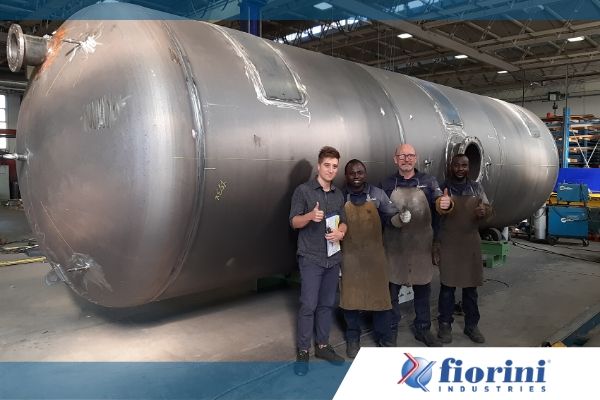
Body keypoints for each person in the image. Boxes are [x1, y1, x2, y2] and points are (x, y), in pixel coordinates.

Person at [380, 143, 452, 347]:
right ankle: (390, 329)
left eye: (410, 155)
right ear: (395, 159)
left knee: (423, 289)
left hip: (422, 246)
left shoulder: (429, 182)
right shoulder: (386, 184)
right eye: (402, 156)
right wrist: (395, 219)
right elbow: (382, 213)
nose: (406, 159)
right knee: (391, 289)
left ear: (416, 158)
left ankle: (423, 329)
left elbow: (440, 203)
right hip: (394, 246)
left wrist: (445, 203)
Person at [289, 146, 348, 376]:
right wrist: (310, 216)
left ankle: (322, 346)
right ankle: (303, 351)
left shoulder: (338, 194)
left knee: (326, 305)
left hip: (332, 257)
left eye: (335, 166)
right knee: (308, 305)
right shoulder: (303, 192)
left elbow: (343, 221)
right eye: (327, 165)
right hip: (311, 257)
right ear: (319, 165)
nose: (331, 170)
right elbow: (294, 222)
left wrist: (341, 233)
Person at [340, 159, 398, 358]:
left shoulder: (377, 194)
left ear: (365, 173)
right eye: (352, 173)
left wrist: (399, 218)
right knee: (350, 300)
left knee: (381, 299)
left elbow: (391, 215)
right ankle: (352, 337)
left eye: (360, 172)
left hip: (375, 255)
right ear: (346, 175)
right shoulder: (340, 197)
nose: (356, 176)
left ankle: (384, 337)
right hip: (350, 256)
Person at [435, 154, 493, 344]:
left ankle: (471, 326)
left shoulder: (476, 188)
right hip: (449, 243)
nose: (460, 169)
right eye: (457, 165)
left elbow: (487, 209)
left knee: (470, 289)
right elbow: (437, 212)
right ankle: (444, 324)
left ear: (469, 168)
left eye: (464, 165)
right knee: (447, 288)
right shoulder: (443, 187)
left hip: (470, 244)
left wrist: (484, 212)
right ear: (451, 167)